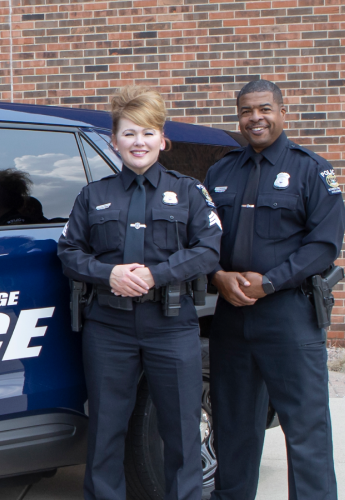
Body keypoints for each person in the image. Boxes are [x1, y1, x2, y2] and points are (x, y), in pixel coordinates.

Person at [58, 85, 222, 500]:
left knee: (182, 430)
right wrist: (108, 274)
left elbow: (208, 250)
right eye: (129, 133)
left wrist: (156, 275)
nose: (139, 142)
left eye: (147, 133)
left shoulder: (189, 192)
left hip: (171, 324)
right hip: (109, 326)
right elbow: (68, 251)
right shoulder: (93, 196)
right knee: (107, 429)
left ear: (162, 140)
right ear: (114, 141)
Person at [205, 80, 343, 500]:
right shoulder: (220, 172)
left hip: (289, 315)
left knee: (305, 430)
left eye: (264, 109)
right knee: (234, 427)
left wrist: (270, 282)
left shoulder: (311, 169)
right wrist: (217, 275)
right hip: (231, 316)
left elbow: (324, 245)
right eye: (246, 111)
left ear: (282, 111)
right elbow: (201, 237)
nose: (255, 118)